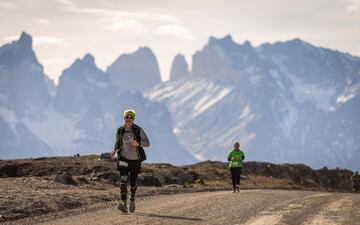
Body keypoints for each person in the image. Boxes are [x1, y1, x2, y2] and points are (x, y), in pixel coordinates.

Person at [111, 109, 150, 213]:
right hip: (123, 159)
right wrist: (114, 150)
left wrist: (138, 144)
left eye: (131, 117)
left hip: (135, 161)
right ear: (124, 118)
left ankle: (132, 200)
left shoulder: (138, 130)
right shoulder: (120, 130)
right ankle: (123, 204)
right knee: (123, 181)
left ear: (133, 119)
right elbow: (117, 142)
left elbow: (147, 143)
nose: (129, 119)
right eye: (127, 117)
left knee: (133, 182)